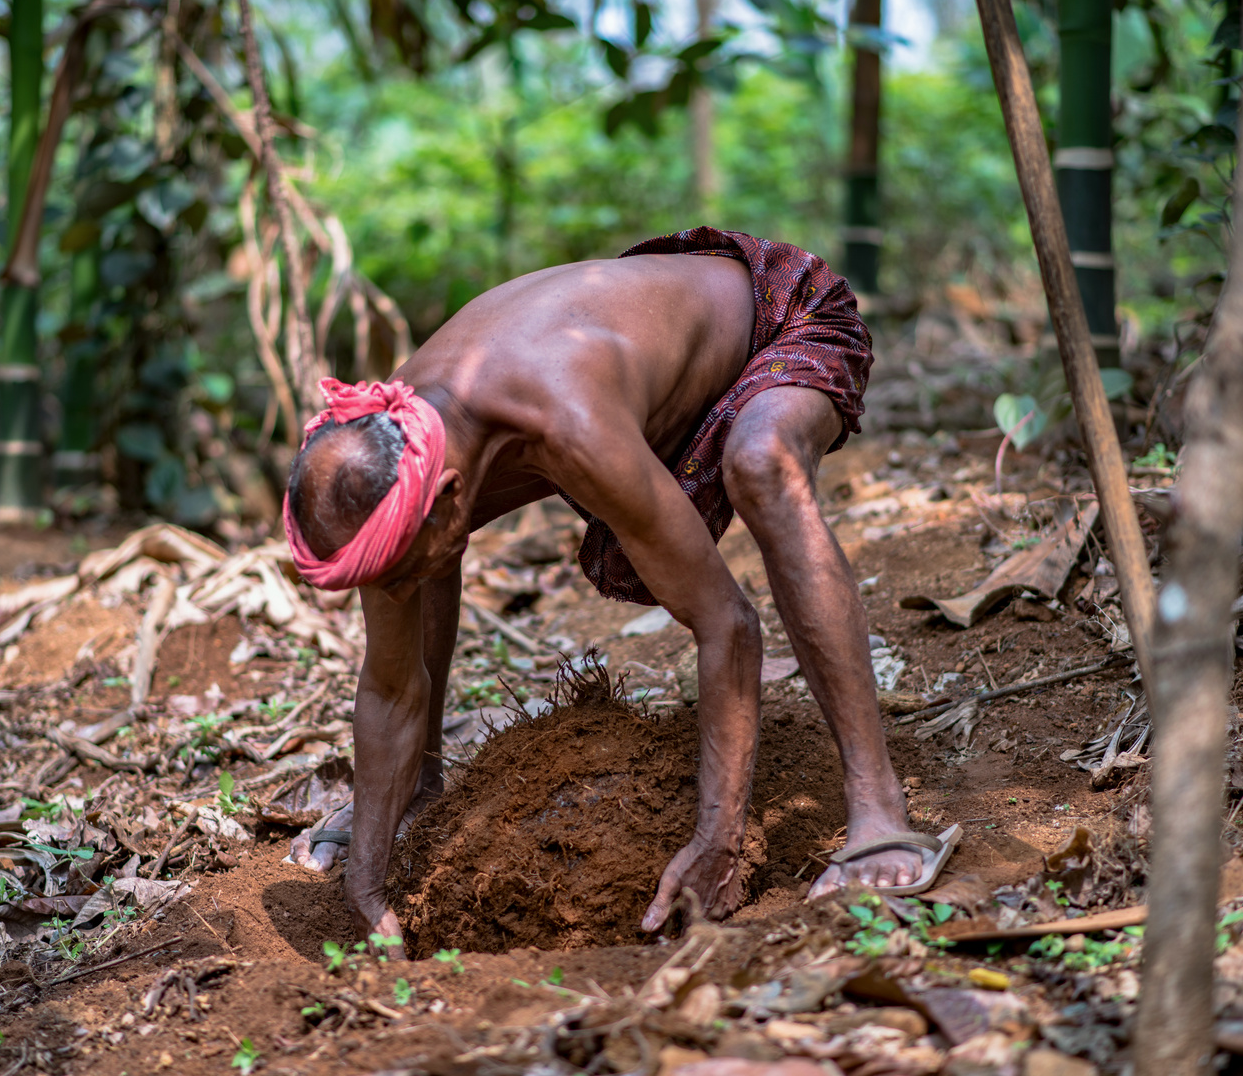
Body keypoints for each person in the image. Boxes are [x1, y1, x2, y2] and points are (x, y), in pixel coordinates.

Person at [284, 227, 952, 948]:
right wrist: (369, 879)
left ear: (448, 497)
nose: (393, 592)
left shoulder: (564, 421)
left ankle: (878, 807)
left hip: (774, 316)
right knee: (410, 561)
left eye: (403, 570)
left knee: (760, 462)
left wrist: (716, 840)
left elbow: (727, 624)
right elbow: (389, 686)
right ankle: (416, 787)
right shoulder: (395, 456)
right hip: (638, 375)